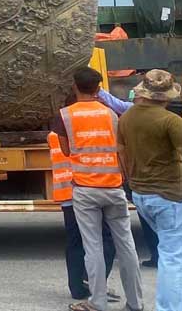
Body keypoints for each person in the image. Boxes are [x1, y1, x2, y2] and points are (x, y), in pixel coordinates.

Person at [56, 67, 142, 311]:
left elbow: (66, 150)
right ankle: (135, 302)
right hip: (114, 187)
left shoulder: (65, 115)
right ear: (98, 89)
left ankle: (98, 302)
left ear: (75, 86)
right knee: (126, 245)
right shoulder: (112, 114)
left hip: (85, 189)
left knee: (92, 246)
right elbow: (121, 150)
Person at [118, 69, 182, 311]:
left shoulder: (127, 117)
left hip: (141, 193)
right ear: (166, 96)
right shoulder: (170, 121)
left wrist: (131, 182)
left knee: (169, 251)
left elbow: (121, 152)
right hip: (169, 194)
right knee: (173, 257)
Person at [47, 125, 118, 304]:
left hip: (66, 195)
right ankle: (92, 282)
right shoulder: (82, 135)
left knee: (75, 242)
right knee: (107, 239)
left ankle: (78, 288)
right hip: (85, 191)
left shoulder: (53, 135)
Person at [96, 86, 162, 267]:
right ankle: (161, 255)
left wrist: (98, 90)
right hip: (155, 173)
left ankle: (158, 255)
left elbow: (114, 103)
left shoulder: (132, 113)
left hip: (140, 173)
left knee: (148, 217)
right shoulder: (162, 116)